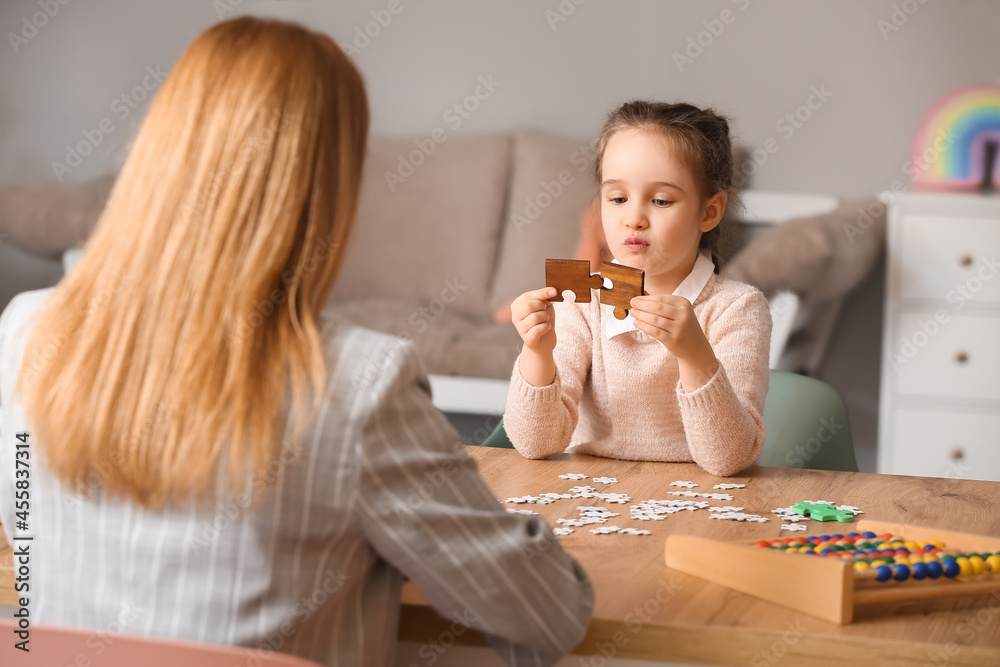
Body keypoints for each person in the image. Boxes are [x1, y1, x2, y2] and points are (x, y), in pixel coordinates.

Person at [0, 17, 592, 667]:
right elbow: (547, 611)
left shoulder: (25, 330)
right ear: (327, 185)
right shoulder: (358, 382)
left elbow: (29, 545)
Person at [505, 101, 771, 476]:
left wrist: (695, 355)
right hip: (592, 501)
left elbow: (729, 459)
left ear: (709, 212)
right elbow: (535, 444)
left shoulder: (737, 308)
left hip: (701, 505)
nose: (633, 219)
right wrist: (537, 351)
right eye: (617, 199)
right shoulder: (579, 305)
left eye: (661, 200)